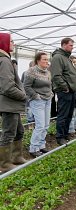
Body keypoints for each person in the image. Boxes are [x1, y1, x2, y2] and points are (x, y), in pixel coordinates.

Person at [0, 33, 27, 172]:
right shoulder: (4, 61)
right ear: (3, 43)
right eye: (11, 41)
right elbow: (7, 87)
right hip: (9, 104)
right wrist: (23, 96)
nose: (13, 44)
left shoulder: (6, 59)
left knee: (19, 131)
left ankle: (16, 157)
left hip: (12, 104)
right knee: (8, 132)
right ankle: (4, 163)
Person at [51, 37, 76, 145]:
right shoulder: (58, 57)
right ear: (63, 45)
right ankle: (60, 136)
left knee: (69, 114)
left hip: (71, 91)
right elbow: (56, 75)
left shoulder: (66, 58)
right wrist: (65, 87)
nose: (72, 47)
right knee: (63, 114)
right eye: (70, 45)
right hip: (65, 91)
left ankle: (66, 134)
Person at [24, 52, 53, 157]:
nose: (46, 61)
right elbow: (26, 86)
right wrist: (36, 96)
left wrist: (51, 93)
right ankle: (33, 148)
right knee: (40, 125)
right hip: (37, 101)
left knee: (46, 125)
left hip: (47, 99)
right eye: (44, 59)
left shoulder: (47, 72)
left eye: (47, 59)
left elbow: (49, 85)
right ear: (38, 60)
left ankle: (41, 145)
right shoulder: (31, 72)